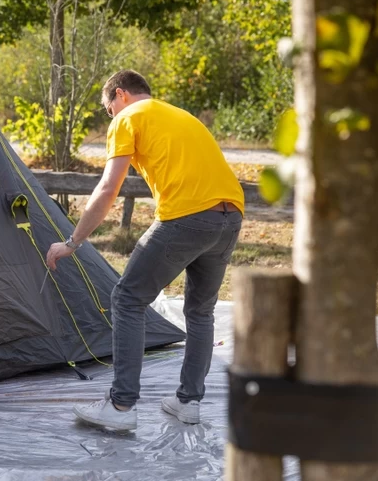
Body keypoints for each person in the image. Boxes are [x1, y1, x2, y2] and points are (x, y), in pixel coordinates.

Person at [46, 69, 244, 430]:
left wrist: (72, 242)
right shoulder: (180, 115)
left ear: (120, 94)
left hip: (186, 216)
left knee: (127, 299)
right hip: (231, 216)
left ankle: (121, 407)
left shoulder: (128, 117)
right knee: (201, 311)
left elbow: (109, 188)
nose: (111, 116)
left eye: (109, 109)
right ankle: (189, 401)